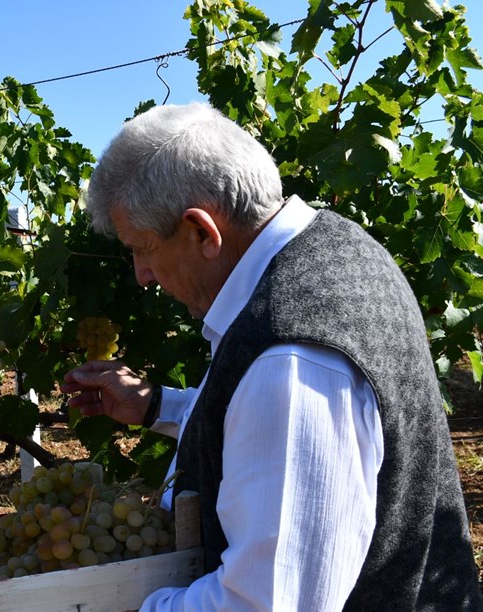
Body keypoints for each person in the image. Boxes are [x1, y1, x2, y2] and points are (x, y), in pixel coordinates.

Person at [60, 103, 481, 611]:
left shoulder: (290, 361)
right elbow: (254, 423)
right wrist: (157, 407)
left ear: (201, 233)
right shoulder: (332, 246)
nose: (141, 275)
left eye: (144, 248)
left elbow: (265, 604)